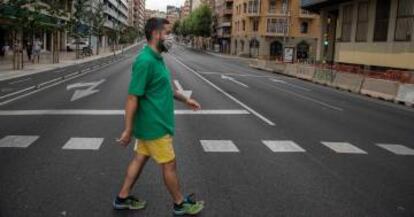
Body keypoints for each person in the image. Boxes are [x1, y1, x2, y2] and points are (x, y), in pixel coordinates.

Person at [114, 17, 205, 216]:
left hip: (151, 125)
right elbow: (132, 97)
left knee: (139, 159)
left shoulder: (157, 58)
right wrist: (128, 129)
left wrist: (185, 99)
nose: (170, 37)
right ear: (156, 34)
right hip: (155, 126)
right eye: (167, 33)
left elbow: (165, 88)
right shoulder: (145, 61)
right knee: (169, 165)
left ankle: (122, 197)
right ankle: (179, 203)